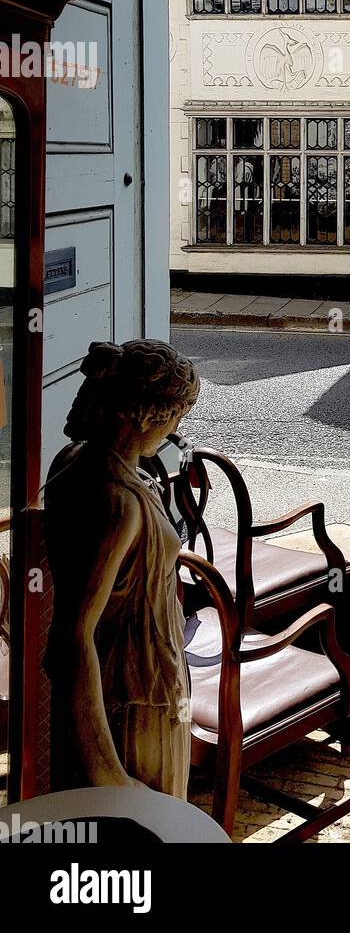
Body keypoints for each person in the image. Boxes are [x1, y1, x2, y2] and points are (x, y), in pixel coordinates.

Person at [44, 339, 200, 797]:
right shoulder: (116, 502)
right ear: (148, 415)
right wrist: (110, 777)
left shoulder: (78, 461)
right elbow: (71, 642)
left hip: (150, 681)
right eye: (176, 418)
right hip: (131, 704)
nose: (176, 431)